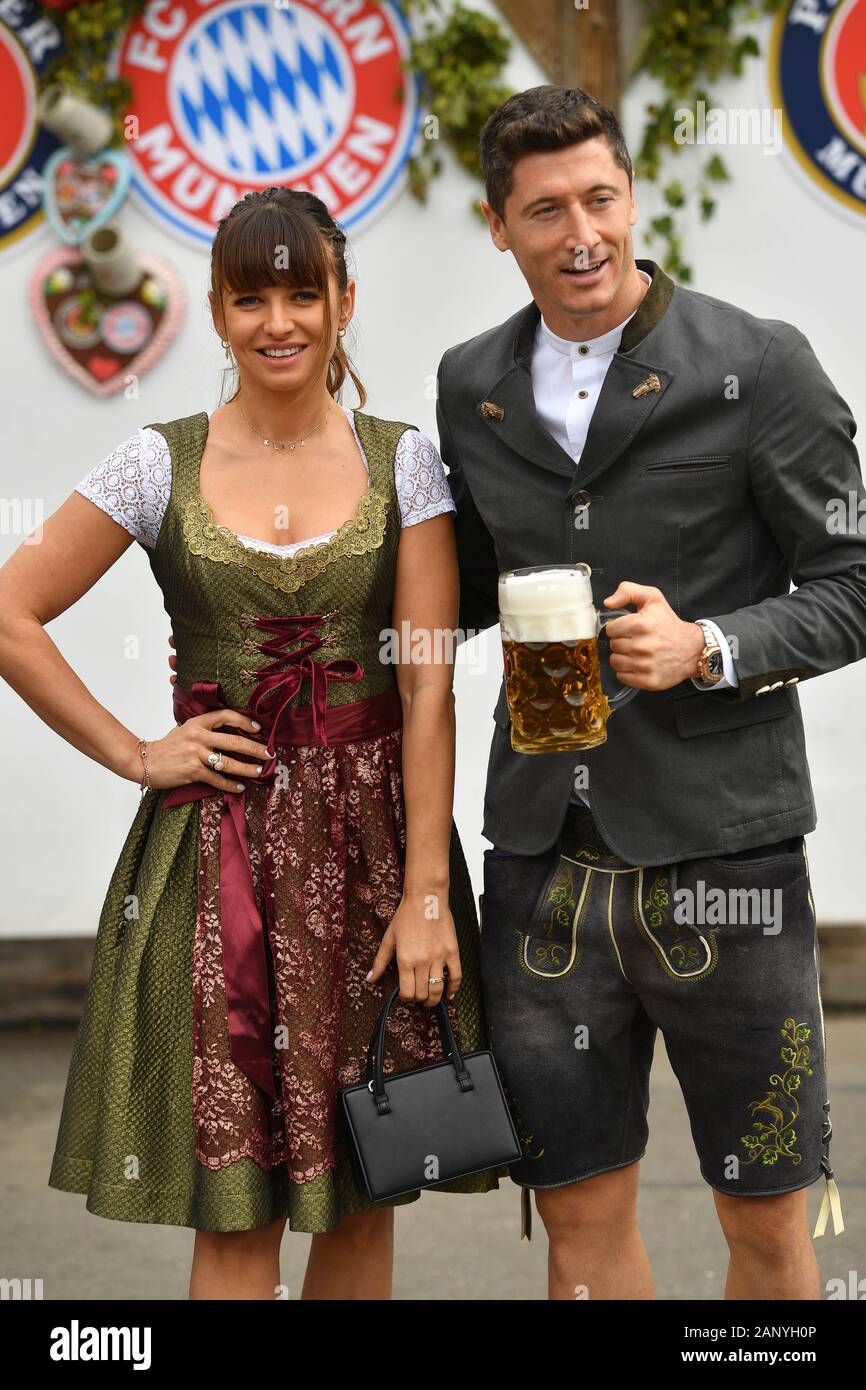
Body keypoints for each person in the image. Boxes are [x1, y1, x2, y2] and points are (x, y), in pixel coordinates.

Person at [0, 186, 503, 1301]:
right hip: (214, 855)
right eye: (250, 298)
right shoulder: (154, 460)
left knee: (367, 1191)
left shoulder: (404, 461)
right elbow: (9, 613)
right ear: (221, 314)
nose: (278, 322)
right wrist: (138, 751)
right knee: (236, 1214)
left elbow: (426, 686)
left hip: (375, 854)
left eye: (301, 294)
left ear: (342, 302)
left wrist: (427, 888)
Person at [436, 86, 866, 1299]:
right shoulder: (468, 382)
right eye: (544, 210)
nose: (579, 233)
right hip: (539, 863)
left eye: (598, 197)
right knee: (574, 1226)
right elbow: (456, 583)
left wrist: (711, 644)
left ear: (630, 195)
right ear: (497, 226)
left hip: (726, 856)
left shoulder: (758, 363)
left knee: (770, 1228)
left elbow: (854, 579)